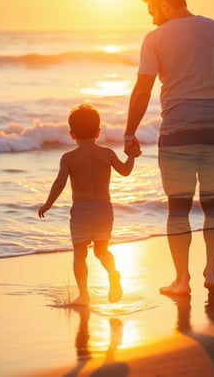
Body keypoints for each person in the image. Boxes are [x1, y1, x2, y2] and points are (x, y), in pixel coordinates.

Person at [124, 0, 214, 295]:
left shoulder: (155, 38)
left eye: (153, 10)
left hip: (177, 132)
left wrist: (129, 132)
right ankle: (212, 274)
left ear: (166, 5)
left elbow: (143, 89)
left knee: (178, 207)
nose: (152, 18)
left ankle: (181, 280)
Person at [38, 104, 140, 306]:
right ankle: (112, 272)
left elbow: (59, 183)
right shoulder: (108, 153)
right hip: (104, 210)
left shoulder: (68, 158)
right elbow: (126, 171)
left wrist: (48, 203)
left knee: (80, 254)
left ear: (71, 134)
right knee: (102, 251)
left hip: (82, 211)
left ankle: (84, 295)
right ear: (98, 131)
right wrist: (131, 155)